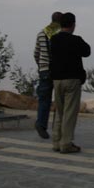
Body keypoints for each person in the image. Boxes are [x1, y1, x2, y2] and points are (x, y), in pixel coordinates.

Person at [49, 12, 91, 153]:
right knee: (69, 113)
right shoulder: (76, 40)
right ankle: (66, 143)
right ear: (73, 24)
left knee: (59, 112)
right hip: (72, 80)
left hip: (57, 80)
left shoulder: (53, 39)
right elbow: (87, 51)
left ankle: (56, 141)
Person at [33, 11, 62, 139]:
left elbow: (36, 53)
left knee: (44, 99)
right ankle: (58, 127)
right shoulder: (58, 34)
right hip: (56, 71)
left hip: (44, 70)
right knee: (60, 100)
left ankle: (41, 124)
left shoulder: (41, 33)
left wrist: (41, 67)